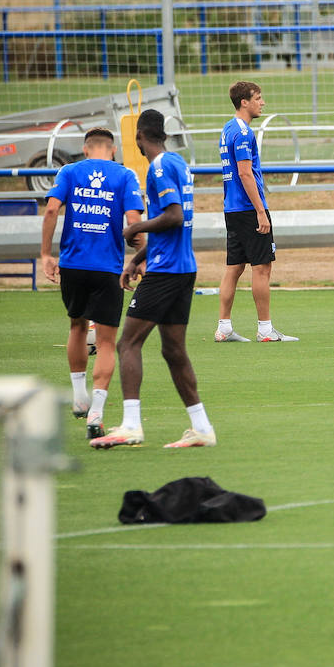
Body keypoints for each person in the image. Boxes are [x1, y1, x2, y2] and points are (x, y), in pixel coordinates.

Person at [91, 110, 216, 449]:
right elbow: (177, 221)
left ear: (138, 138)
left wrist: (135, 228)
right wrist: (137, 259)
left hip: (165, 271)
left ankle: (131, 424)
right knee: (174, 350)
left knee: (127, 343)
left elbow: (173, 217)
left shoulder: (158, 169)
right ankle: (201, 427)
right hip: (181, 267)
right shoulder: (177, 163)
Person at [39, 127, 144, 438]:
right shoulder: (124, 176)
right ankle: (96, 413)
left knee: (77, 327)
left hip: (72, 265)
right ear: (112, 150)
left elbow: (51, 210)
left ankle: (78, 395)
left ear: (85, 150)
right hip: (107, 267)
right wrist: (140, 259)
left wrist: (46, 254)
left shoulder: (69, 171)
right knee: (108, 342)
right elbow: (134, 223)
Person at [215, 80, 297, 343]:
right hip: (249, 208)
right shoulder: (243, 133)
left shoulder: (227, 129)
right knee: (262, 268)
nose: (263, 102)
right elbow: (244, 172)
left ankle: (224, 327)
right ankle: (265, 329)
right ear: (244, 102)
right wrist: (261, 211)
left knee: (234, 268)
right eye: (258, 98)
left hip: (232, 208)